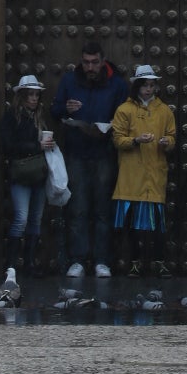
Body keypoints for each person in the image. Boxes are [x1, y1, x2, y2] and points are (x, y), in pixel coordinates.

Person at [51, 36, 130, 279]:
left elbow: (125, 114)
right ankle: (78, 260)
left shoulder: (116, 84)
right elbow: (55, 110)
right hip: (77, 152)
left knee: (103, 209)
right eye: (86, 62)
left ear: (102, 61)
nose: (90, 67)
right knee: (78, 208)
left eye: (94, 62)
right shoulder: (70, 81)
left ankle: (102, 260)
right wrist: (67, 110)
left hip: (104, 153)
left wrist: (107, 127)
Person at [111, 64, 176, 276]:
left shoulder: (164, 110)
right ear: (137, 87)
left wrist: (168, 141)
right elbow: (118, 139)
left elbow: (172, 136)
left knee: (157, 225)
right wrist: (136, 140)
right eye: (145, 85)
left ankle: (159, 261)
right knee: (132, 227)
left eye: (152, 85)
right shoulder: (125, 110)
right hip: (132, 175)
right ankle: (135, 262)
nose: (149, 89)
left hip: (154, 173)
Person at [0, 73, 54, 274]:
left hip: (38, 175)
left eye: (36, 95)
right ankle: (11, 264)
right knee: (21, 218)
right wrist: (36, 145)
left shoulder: (40, 118)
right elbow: (9, 145)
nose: (34, 98)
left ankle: (30, 263)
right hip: (21, 175)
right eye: (30, 95)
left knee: (35, 219)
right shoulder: (11, 117)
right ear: (21, 96)